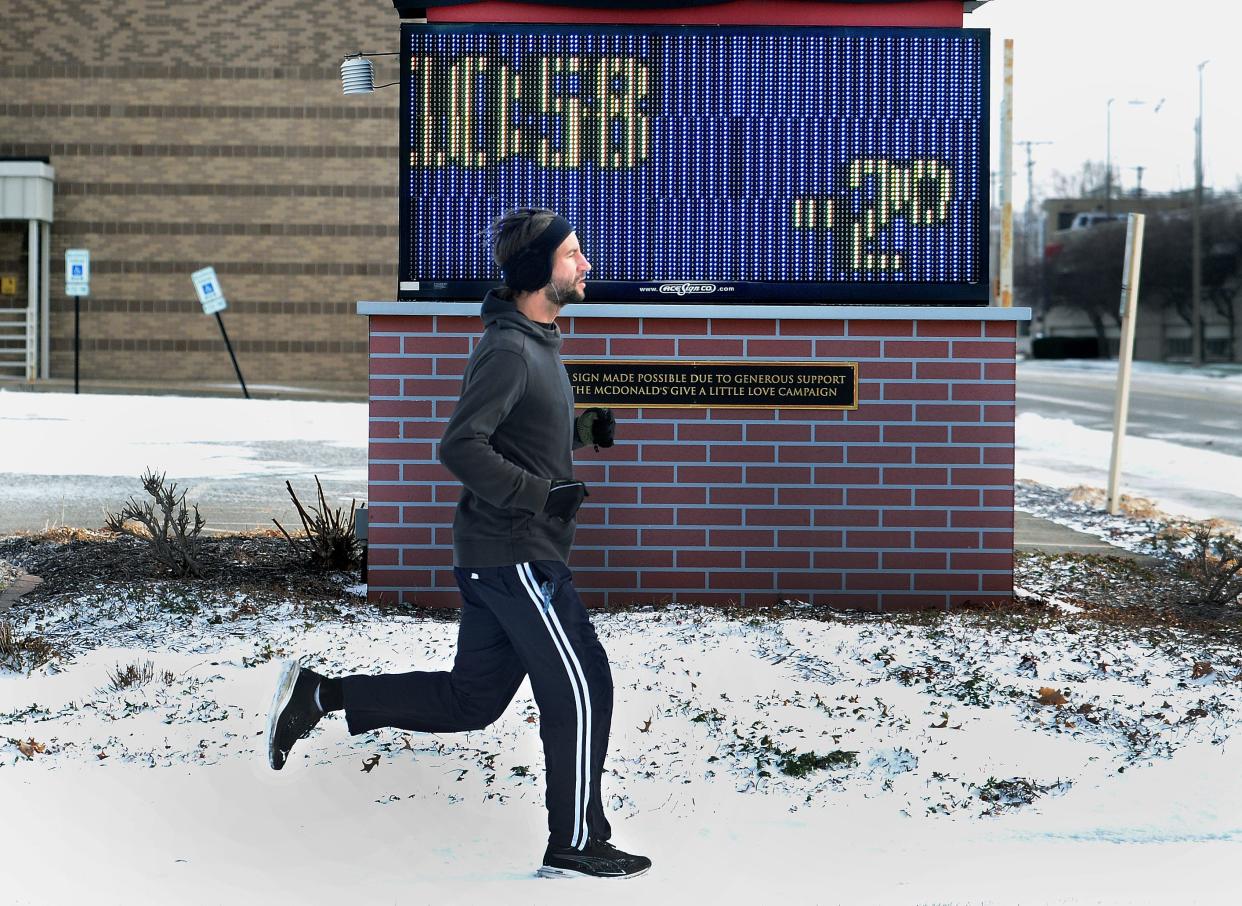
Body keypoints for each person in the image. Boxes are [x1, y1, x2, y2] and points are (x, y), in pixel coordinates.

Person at [265, 208, 650, 880]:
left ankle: (320, 696)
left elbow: (515, 437)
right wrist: (539, 495)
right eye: (572, 255)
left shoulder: (536, 342)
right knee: (585, 684)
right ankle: (578, 841)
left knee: (472, 702)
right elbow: (461, 446)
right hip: (516, 552)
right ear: (538, 271)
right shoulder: (508, 349)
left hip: (500, 555)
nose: (586, 265)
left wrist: (582, 433)